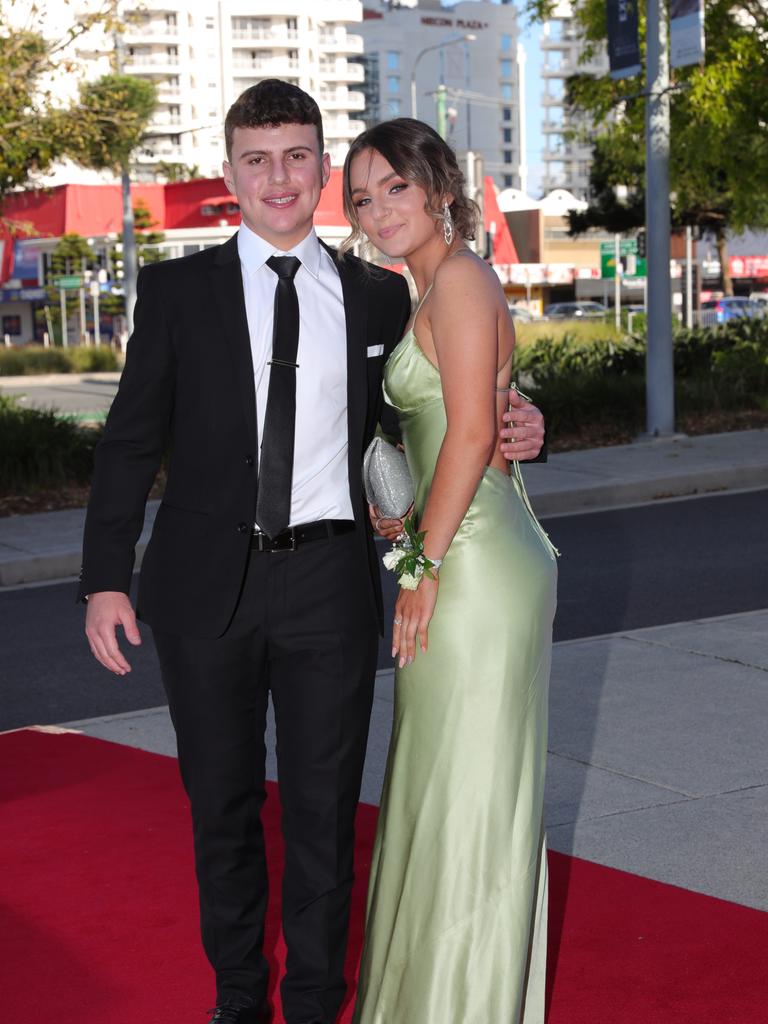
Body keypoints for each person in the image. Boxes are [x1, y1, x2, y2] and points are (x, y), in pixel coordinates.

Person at [79, 82, 546, 1024]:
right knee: (223, 811)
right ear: (231, 172)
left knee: (328, 819)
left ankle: (319, 1000)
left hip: (330, 584)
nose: (278, 177)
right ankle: (241, 1002)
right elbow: (130, 440)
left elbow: (445, 407)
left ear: (321, 168)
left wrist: (527, 417)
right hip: (202, 587)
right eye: (257, 158)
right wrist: (102, 579)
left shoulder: (377, 292)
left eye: (297, 156)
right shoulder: (178, 290)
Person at [342, 120, 558, 1024]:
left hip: (469, 567)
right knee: (439, 780)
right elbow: (461, 422)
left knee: (465, 793)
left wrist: (421, 565)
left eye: (393, 186)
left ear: (436, 184)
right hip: (451, 549)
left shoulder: (461, 277)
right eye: (360, 196)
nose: (377, 209)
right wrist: (402, 512)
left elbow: (473, 431)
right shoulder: (426, 286)